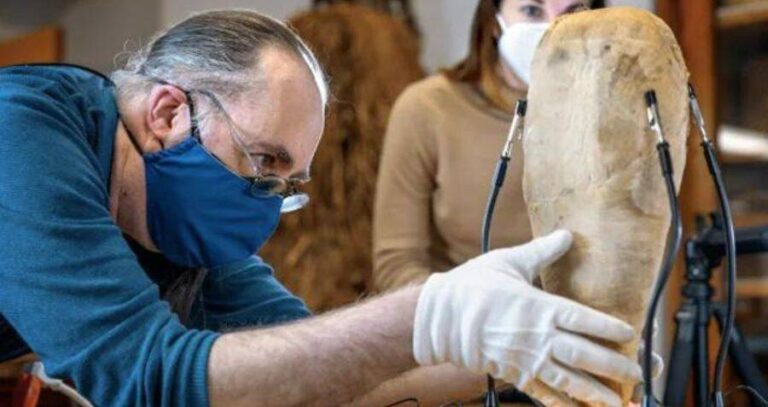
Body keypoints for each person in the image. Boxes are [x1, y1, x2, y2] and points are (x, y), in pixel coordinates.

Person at [0, 9, 641, 407]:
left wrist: (516, 350)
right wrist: (430, 311)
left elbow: (323, 377)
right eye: (263, 161)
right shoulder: (20, 132)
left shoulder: (186, 228)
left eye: (287, 182)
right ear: (168, 113)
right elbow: (147, 378)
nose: (266, 199)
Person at [373, 0, 604, 288]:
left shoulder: (613, 112)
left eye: (573, 13)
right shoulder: (427, 108)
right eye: (532, 11)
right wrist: (472, 306)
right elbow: (397, 265)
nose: (552, 29)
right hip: (463, 312)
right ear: (494, 22)